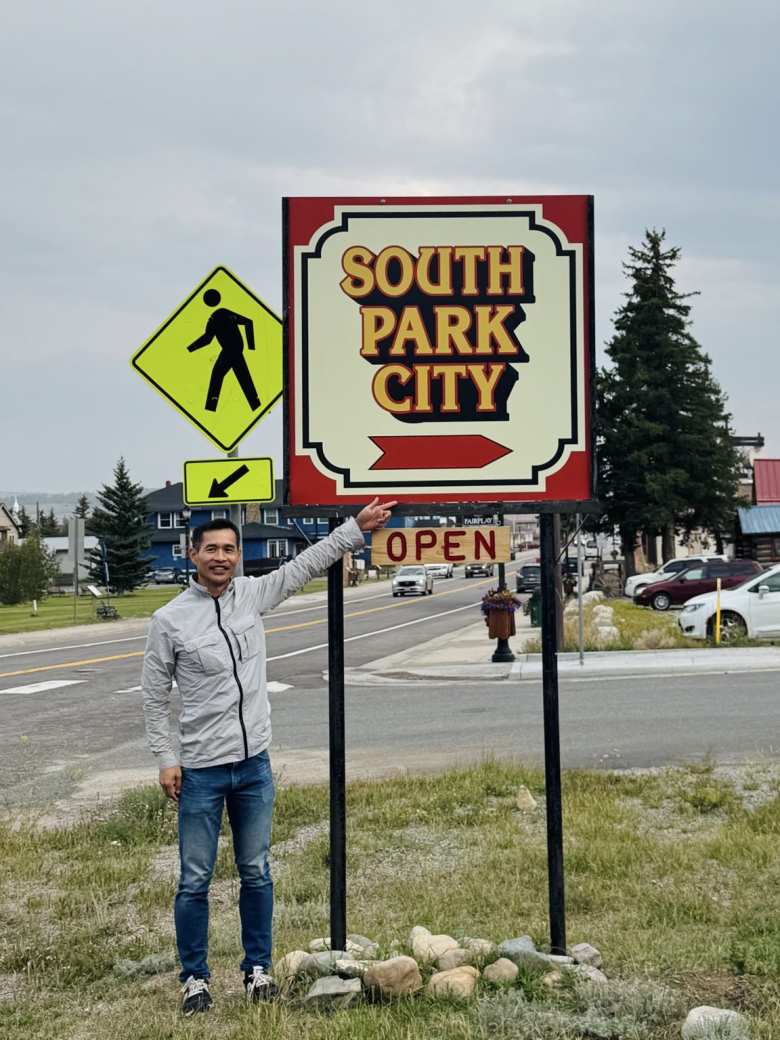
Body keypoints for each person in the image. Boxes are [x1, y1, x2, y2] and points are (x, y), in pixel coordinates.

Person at [141, 499, 395, 1016]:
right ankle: (194, 979)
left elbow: (305, 564)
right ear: (191, 553)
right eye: (210, 548)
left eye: (229, 549)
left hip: (253, 765)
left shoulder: (252, 596)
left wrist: (355, 528)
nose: (221, 557)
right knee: (195, 878)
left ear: (237, 555)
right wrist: (167, 758)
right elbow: (153, 695)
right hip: (202, 770)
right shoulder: (168, 620)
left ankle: (257, 970)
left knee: (256, 871)